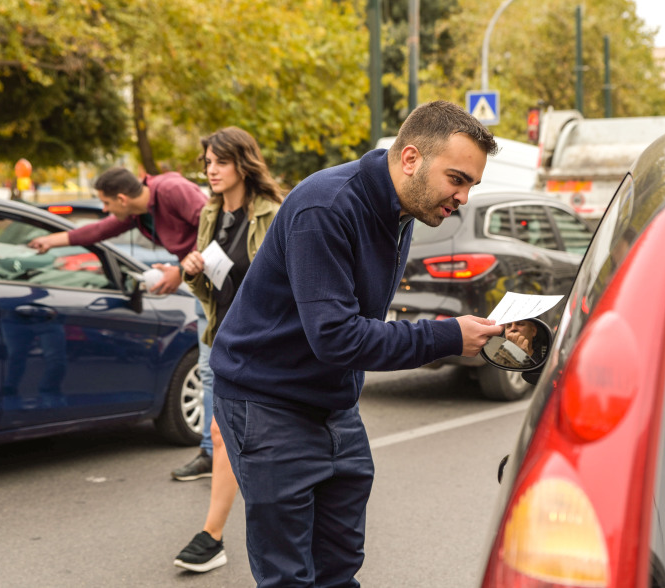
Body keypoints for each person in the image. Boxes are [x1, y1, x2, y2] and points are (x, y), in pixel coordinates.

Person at [209, 100, 505, 587]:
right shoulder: (325, 206)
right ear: (410, 159)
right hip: (266, 403)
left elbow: (354, 324)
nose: (464, 196)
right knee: (290, 578)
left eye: (471, 183)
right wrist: (448, 336)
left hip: (333, 406)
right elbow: (336, 335)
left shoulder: (404, 210)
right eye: (457, 178)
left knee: (340, 566)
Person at [27, 167, 219, 480]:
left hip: (225, 288)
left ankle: (242, 448)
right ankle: (211, 453)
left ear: (121, 198)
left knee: (224, 371)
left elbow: (216, 230)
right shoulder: (137, 212)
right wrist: (52, 241)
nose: (104, 209)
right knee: (210, 373)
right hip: (201, 287)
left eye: (105, 203)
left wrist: (178, 271)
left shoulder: (171, 189)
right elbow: (98, 231)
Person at [172, 127, 283, 573]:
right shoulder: (210, 214)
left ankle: (216, 535)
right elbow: (210, 288)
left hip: (262, 345)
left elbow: (283, 284)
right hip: (223, 339)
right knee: (226, 435)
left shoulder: (273, 214)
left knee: (235, 436)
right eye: (207, 163)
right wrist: (193, 270)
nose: (211, 170)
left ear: (242, 162)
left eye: (219, 162)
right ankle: (215, 536)